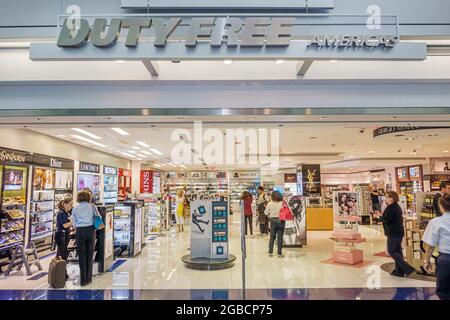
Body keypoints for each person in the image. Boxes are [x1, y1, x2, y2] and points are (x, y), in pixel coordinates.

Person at [374, 191, 415, 278]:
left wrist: (379, 217)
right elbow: (389, 218)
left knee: (392, 251)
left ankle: (407, 268)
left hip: (394, 233)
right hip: (397, 232)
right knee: (398, 251)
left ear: (392, 198)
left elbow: (387, 220)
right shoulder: (395, 207)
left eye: (387, 196)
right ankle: (399, 271)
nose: (386, 198)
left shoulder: (392, 207)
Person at [423, 194, 450, 300]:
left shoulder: (436, 222)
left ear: (441, 206)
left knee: (444, 292)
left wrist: (427, 261)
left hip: (445, 260)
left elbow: (430, 245)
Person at [71, 191, 97, 286]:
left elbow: (73, 222)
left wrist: (77, 227)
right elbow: (98, 217)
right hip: (90, 230)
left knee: (81, 255)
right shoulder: (92, 206)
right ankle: (88, 278)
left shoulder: (75, 208)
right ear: (88, 197)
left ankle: (83, 280)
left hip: (80, 231)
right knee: (90, 255)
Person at [265, 191, 285, 258]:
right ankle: (279, 253)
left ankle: (270, 252)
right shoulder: (282, 203)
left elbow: (266, 213)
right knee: (280, 238)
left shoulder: (270, 203)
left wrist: (269, 216)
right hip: (281, 220)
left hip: (272, 221)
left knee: (272, 237)